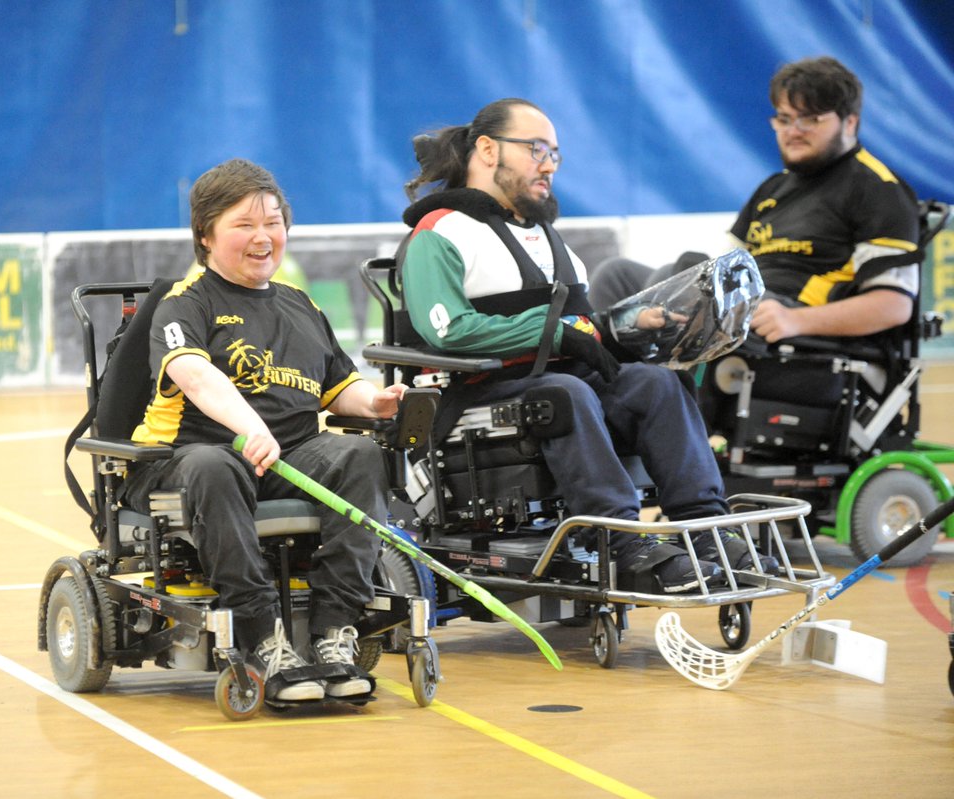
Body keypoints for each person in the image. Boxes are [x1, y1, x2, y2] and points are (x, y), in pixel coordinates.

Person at [398, 98, 777, 593]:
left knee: (657, 384)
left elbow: (580, 325)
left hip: (553, 381)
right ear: (488, 150)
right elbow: (449, 331)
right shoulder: (439, 232)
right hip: (477, 390)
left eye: (554, 153)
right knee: (566, 394)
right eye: (536, 149)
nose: (549, 165)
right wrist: (555, 332)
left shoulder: (545, 236)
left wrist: (626, 326)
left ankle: (705, 528)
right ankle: (620, 540)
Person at [121, 158, 409, 702]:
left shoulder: (300, 305)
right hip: (184, 460)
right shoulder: (183, 305)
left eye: (273, 223)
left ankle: (333, 632)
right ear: (205, 235)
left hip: (286, 460)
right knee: (215, 463)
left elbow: (338, 387)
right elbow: (196, 376)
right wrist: (252, 428)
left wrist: (375, 402)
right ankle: (262, 637)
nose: (263, 237)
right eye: (244, 225)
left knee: (360, 456)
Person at [590, 56, 920, 347]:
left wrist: (795, 321)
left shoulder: (878, 189)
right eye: (784, 119)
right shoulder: (772, 189)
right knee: (617, 274)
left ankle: (644, 378)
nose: (793, 131)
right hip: (740, 304)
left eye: (809, 119)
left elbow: (893, 305)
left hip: (791, 318)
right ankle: (601, 375)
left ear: (850, 122)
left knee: (677, 287)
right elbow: (719, 268)